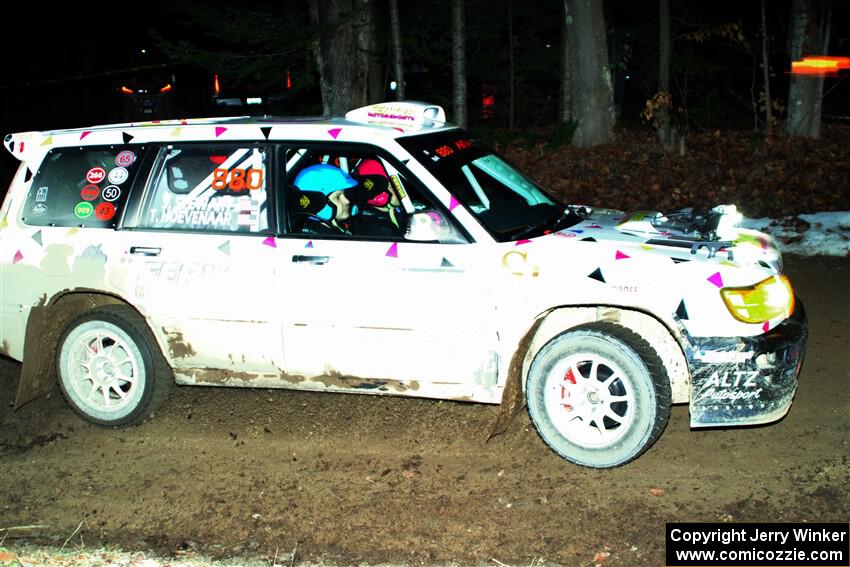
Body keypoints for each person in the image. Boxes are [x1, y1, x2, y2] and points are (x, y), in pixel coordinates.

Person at [290, 164, 359, 234]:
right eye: (337, 197)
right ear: (317, 202)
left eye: (344, 194)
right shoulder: (324, 240)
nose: (347, 201)